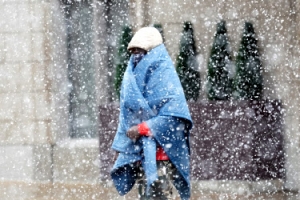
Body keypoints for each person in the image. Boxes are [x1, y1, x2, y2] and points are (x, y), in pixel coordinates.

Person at [111, 27, 193, 200]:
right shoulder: (132, 77)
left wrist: (142, 128)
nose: (136, 56)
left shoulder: (165, 76)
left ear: (152, 53)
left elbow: (174, 117)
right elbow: (127, 113)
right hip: (142, 155)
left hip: (163, 156)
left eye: (139, 51)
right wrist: (123, 143)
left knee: (159, 196)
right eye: (132, 52)